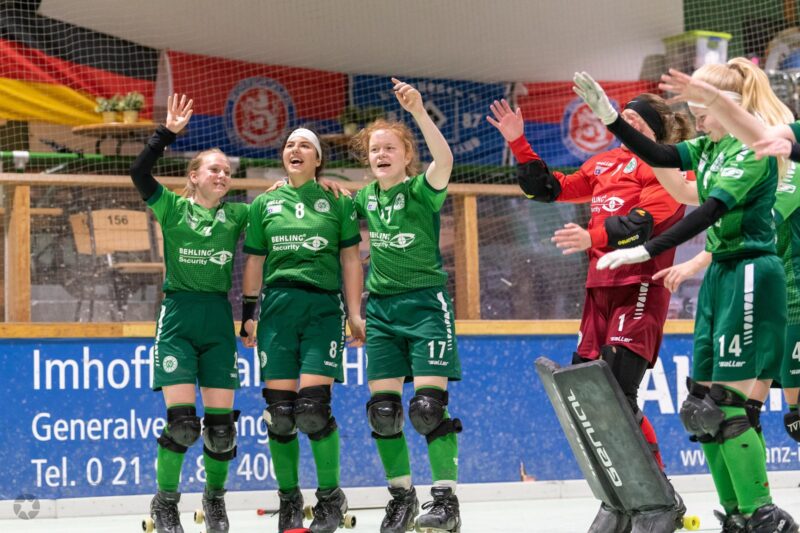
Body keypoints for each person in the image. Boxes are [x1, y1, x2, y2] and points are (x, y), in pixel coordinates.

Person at [574, 58, 798, 532]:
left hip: (751, 271)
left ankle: (761, 513)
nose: (698, 121)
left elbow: (709, 210)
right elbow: (661, 157)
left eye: (704, 111)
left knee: (728, 405)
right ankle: (736, 514)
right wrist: (612, 119)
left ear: (730, 107)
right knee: (701, 409)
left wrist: (646, 250)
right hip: (722, 274)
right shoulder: (710, 146)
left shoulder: (749, 152)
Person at [488, 94, 694, 530]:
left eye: (636, 119)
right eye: (624, 116)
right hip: (598, 291)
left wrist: (592, 236)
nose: (625, 122)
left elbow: (643, 225)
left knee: (617, 396)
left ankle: (660, 498)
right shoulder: (603, 164)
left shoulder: (666, 167)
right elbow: (550, 188)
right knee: (588, 397)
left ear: (656, 131)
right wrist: (519, 142)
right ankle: (619, 501)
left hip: (639, 285)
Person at [131, 94, 250, 533]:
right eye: (213, 169)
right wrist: (166, 134)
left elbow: (284, 205)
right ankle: (165, 504)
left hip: (218, 321)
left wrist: (320, 183)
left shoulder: (237, 215)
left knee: (221, 431)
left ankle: (214, 501)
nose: (222, 175)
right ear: (194, 176)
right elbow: (138, 172)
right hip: (178, 320)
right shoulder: (172, 208)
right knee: (183, 426)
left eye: (227, 172)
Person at [348, 78, 462, 533]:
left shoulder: (421, 189)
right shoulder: (364, 198)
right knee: (383, 412)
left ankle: (446, 502)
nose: (381, 154)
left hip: (425, 306)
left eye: (389, 147)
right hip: (381, 312)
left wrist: (417, 112)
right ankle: (401, 498)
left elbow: (446, 159)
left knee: (428, 408)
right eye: (374, 149)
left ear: (406, 154)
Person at [239, 126, 365, 533]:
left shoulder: (337, 201)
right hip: (277, 310)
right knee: (279, 415)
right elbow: (254, 261)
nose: (295, 149)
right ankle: (289, 500)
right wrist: (248, 312)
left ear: (318, 159)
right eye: (290, 144)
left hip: (322, 309)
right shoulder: (264, 203)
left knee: (312, 411)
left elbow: (351, 259)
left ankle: (330, 499)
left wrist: (355, 313)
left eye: (305, 145)